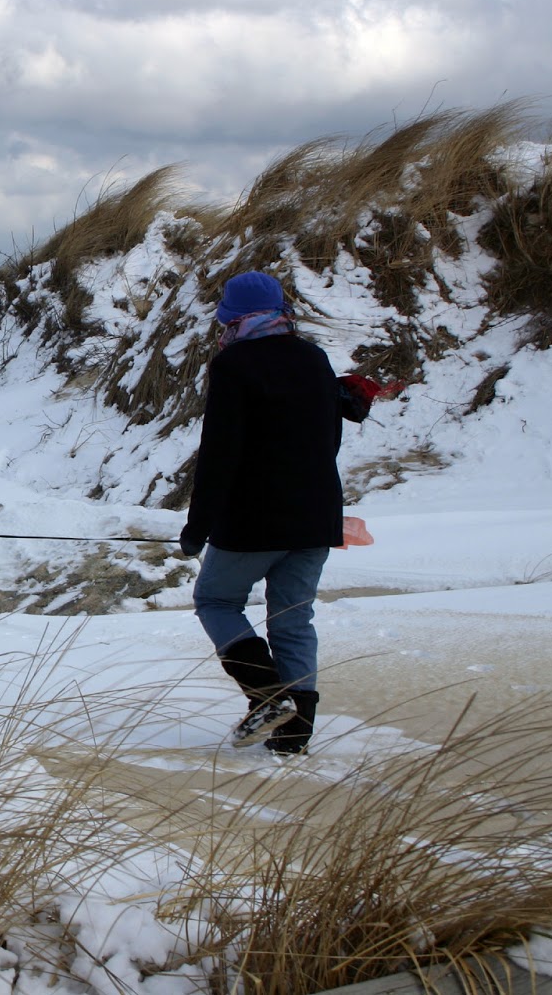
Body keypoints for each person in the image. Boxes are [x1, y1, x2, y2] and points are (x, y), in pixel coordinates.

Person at [178, 270, 355, 755]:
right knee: (294, 620)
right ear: (281, 310)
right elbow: (330, 441)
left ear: (231, 317)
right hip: (317, 514)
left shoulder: (234, 364)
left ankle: (269, 697)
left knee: (216, 601)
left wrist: (198, 526)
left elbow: (219, 452)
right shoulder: (314, 358)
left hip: (253, 519)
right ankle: (293, 737)